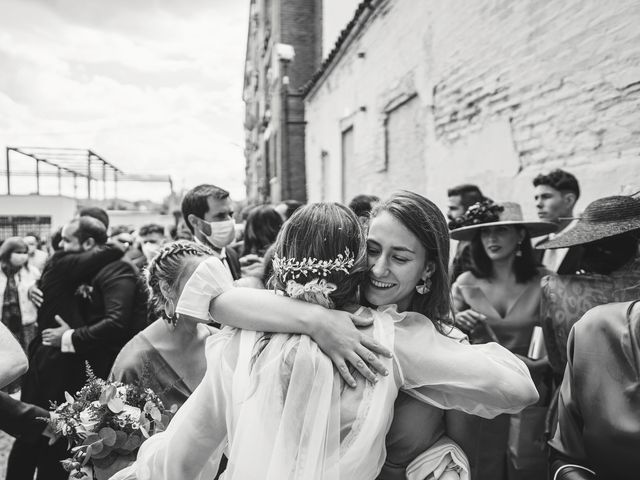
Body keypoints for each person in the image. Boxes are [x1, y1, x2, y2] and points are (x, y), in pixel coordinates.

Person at [111, 202, 537, 480]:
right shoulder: (390, 339)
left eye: (400, 256)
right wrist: (315, 319)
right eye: (370, 251)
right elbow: (517, 389)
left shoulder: (243, 337)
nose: (379, 268)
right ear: (351, 259)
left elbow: (183, 456)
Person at [7, 217, 133, 480]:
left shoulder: (79, 267)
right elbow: (115, 248)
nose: (59, 245)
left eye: (66, 239)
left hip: (55, 356)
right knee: (52, 430)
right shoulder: (65, 262)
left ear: (88, 242)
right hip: (53, 358)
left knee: (45, 431)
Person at [449, 201, 556, 480]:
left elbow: (559, 340)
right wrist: (458, 324)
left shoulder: (545, 281)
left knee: (529, 466)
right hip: (481, 392)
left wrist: (539, 367)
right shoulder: (464, 282)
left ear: (521, 235)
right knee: (481, 465)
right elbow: (444, 340)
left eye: (501, 230)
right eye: (484, 233)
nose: (491, 239)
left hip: (532, 387)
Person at [181, 184, 241, 280]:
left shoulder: (232, 255)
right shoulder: (185, 267)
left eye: (230, 214)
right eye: (220, 216)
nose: (229, 220)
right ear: (195, 221)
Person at [532, 169, 584, 273]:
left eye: (546, 197)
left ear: (569, 200)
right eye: (536, 198)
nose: (538, 204)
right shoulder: (537, 247)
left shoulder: (589, 244)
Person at [0, 237, 41, 354]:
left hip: (26, 323)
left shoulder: (33, 272)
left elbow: (38, 291)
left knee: (27, 353)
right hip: (3, 322)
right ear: (7, 253)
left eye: (24, 252)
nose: (22, 256)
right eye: (18, 252)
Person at [447, 184, 487, 282]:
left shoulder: (472, 245)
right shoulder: (464, 241)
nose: (448, 213)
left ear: (469, 211)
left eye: (453, 208)